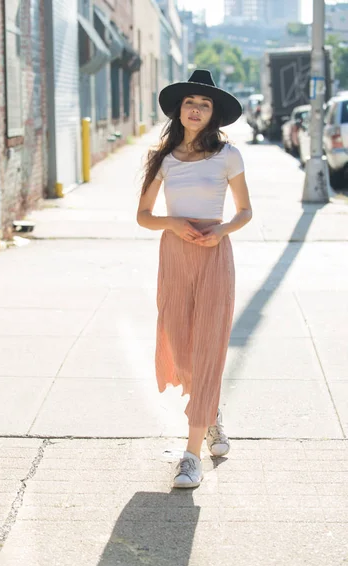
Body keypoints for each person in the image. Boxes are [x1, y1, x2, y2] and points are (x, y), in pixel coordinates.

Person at [136, 70, 252, 489]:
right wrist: (171, 223)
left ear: (213, 113)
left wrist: (221, 230)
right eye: (191, 103)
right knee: (180, 348)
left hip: (214, 254)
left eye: (204, 105)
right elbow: (143, 215)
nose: (196, 109)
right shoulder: (162, 158)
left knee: (208, 347)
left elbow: (244, 212)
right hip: (175, 255)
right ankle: (212, 410)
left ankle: (191, 454)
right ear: (180, 110)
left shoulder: (228, 156)